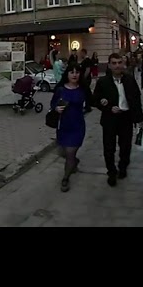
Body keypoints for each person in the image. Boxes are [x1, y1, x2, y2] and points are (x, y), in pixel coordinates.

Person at [93, 53, 143, 187]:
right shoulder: (103, 82)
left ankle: (123, 167)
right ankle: (111, 172)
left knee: (126, 147)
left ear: (123, 64)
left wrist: (139, 119)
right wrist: (107, 106)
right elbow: (95, 100)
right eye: (114, 63)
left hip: (126, 118)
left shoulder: (129, 80)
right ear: (109, 65)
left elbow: (136, 99)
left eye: (119, 62)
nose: (117, 65)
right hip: (110, 119)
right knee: (109, 148)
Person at [50, 63, 88, 192]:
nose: (75, 74)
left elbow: (93, 101)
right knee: (62, 152)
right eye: (72, 72)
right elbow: (53, 103)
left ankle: (65, 178)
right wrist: (56, 108)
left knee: (70, 153)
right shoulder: (60, 89)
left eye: (77, 72)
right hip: (63, 126)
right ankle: (74, 162)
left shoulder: (83, 89)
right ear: (67, 74)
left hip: (77, 126)